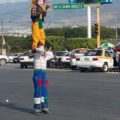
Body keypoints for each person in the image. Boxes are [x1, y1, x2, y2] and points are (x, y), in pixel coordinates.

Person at [31, 0, 50, 114]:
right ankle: (37, 106)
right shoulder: (37, 51)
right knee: (38, 89)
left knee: (45, 89)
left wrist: (45, 9)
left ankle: (45, 106)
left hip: (44, 74)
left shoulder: (44, 52)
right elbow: (34, 15)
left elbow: (43, 15)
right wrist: (42, 8)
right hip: (38, 73)